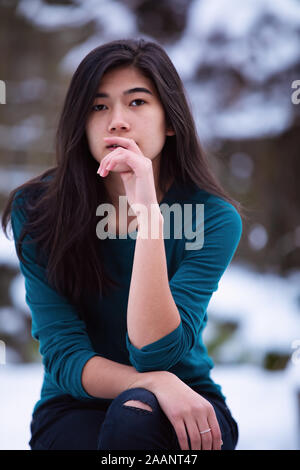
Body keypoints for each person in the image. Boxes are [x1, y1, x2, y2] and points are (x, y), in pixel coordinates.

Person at [2, 38, 245, 451]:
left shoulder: (213, 218)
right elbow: (64, 355)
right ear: (81, 122)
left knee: (135, 415)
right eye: (98, 107)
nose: (116, 121)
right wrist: (148, 382)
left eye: (136, 103)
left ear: (170, 119)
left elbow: (155, 352)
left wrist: (148, 213)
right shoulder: (39, 210)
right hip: (76, 405)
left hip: (187, 405)